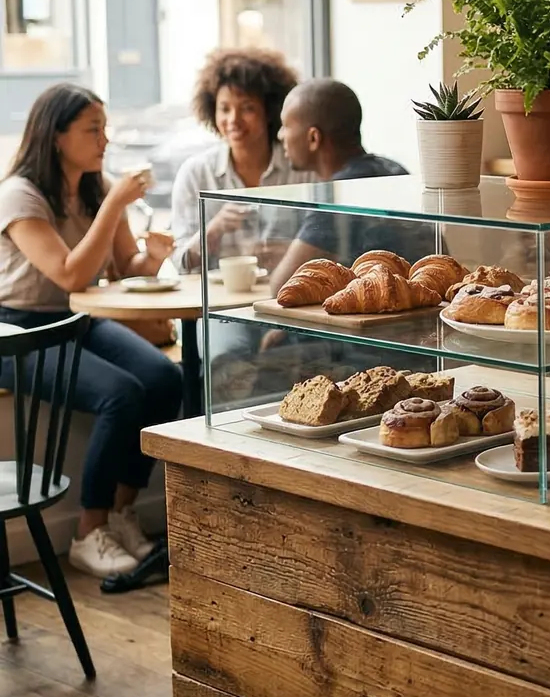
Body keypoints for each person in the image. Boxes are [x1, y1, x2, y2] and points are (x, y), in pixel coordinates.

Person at [0, 84, 182, 578]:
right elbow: (69, 274)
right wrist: (114, 203)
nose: (105, 139)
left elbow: (125, 269)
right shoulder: (20, 194)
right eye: (92, 129)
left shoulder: (94, 189)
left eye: (104, 127)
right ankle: (87, 531)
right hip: (19, 332)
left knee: (166, 379)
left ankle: (122, 513)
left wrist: (155, 256)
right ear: (56, 136)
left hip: (78, 319)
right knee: (121, 394)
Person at [268, 79, 428, 289]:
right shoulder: (394, 170)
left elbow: (281, 287)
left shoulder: (337, 194)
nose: (280, 135)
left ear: (313, 138)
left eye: (286, 126)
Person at [169, 47, 315, 273]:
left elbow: (330, 248)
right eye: (224, 109)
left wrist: (292, 254)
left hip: (285, 297)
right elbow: (180, 263)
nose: (233, 120)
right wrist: (213, 231)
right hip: (215, 303)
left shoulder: (302, 170)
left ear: (269, 111)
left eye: (247, 108)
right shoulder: (195, 174)